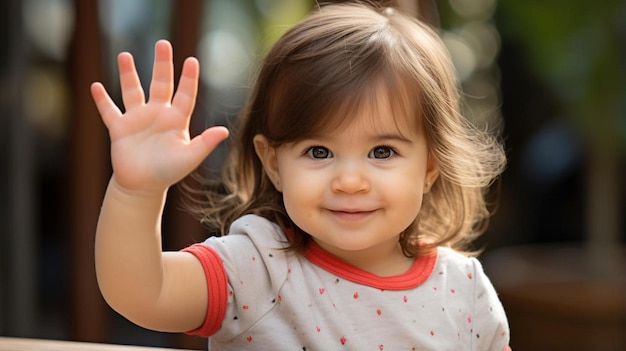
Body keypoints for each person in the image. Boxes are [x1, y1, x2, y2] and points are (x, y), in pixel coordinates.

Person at [91, 2, 510, 350]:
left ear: (429, 168)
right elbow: (142, 293)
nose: (350, 181)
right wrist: (137, 190)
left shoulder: (464, 290)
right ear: (273, 163)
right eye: (319, 151)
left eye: (382, 152)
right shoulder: (256, 268)